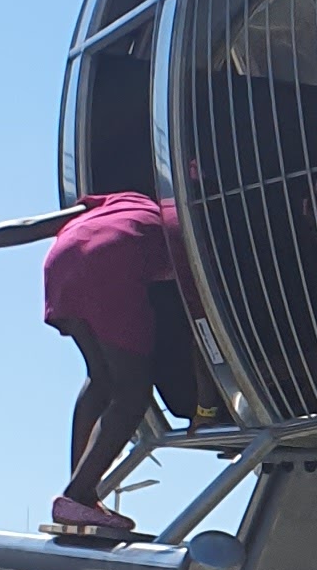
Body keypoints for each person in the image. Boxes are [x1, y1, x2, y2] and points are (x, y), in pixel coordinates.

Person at [41, 185, 202, 540]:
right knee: (132, 393)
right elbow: (200, 317)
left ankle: (80, 495)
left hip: (61, 261)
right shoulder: (185, 226)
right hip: (110, 263)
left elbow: (33, 226)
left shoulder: (120, 203)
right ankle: (79, 494)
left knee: (99, 377)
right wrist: (204, 406)